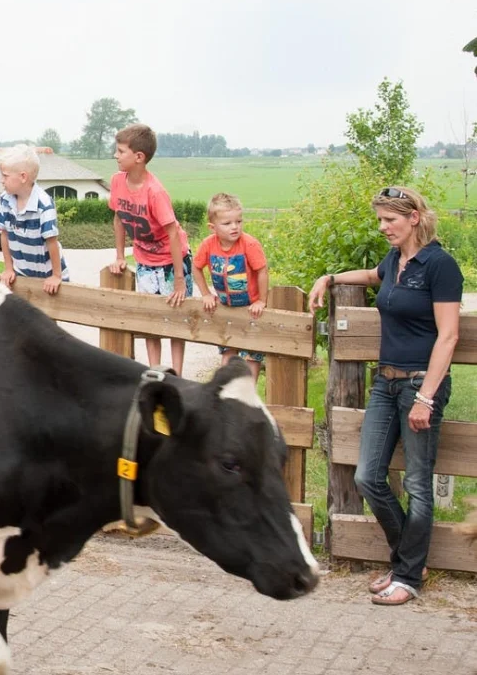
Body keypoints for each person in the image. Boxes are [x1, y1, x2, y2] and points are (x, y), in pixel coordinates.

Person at [308, 185, 461, 606]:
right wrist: (330, 277)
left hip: (418, 384)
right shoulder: (396, 260)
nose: (383, 227)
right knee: (367, 476)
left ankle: (409, 578)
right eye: (379, 220)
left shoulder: (439, 265)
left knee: (417, 482)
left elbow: (448, 337)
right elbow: (373, 277)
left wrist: (426, 397)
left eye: (389, 220)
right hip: (385, 382)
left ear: (414, 218)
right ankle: (406, 560)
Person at [108, 123, 192, 374]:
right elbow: (119, 217)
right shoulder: (116, 182)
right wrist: (120, 255)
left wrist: (179, 279)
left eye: (121, 151)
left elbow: (173, 233)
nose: (116, 155)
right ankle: (156, 370)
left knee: (176, 318)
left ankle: (177, 374)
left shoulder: (155, 192)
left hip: (170, 261)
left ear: (139, 157)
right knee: (150, 319)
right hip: (145, 261)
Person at [192, 192, 270, 380]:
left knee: (251, 355)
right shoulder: (208, 245)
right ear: (212, 227)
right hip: (226, 308)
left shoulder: (249, 244)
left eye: (238, 221)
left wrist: (261, 300)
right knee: (228, 351)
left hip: (250, 309)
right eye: (227, 224)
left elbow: (262, 270)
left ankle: (248, 396)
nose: (234, 227)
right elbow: (196, 267)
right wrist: (206, 294)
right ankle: (223, 395)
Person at [0, 144, 68, 295]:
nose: (1, 180)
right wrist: (8, 268)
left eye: (5, 176)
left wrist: (56, 276)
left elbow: (51, 242)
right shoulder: (5, 200)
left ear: (23, 177)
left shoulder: (43, 204)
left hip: (47, 277)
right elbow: (5, 234)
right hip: (22, 275)